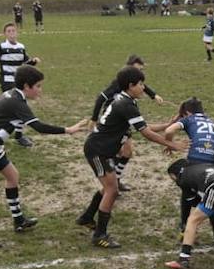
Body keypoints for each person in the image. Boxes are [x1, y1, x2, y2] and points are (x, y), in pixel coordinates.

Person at [0, 66, 87, 250]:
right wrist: (68, 130)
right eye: (38, 86)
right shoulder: (17, 103)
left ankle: (19, 220)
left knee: (13, 177)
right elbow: (38, 127)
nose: (40, 90)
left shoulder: (10, 94)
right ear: (26, 86)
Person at [75, 65, 185, 249]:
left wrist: (168, 124)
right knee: (112, 190)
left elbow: (144, 125)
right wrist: (172, 144)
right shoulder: (125, 104)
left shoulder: (125, 101)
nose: (143, 87)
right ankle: (99, 235)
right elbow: (147, 133)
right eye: (140, 84)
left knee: (109, 188)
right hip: (98, 151)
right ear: (130, 85)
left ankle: (87, 218)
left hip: (100, 149)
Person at [90, 55, 166, 192]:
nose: (140, 73)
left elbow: (144, 86)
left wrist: (154, 95)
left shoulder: (134, 83)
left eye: (141, 70)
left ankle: (115, 180)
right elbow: (101, 98)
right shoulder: (118, 83)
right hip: (114, 119)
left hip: (125, 118)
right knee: (118, 150)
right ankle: (111, 183)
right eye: (137, 70)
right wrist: (93, 119)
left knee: (127, 151)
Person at [152, 98, 214, 230]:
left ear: (187, 113)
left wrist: (170, 145)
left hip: (195, 163)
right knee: (209, 196)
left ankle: (185, 223)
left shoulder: (189, 119)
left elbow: (169, 131)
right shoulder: (210, 121)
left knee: (179, 177)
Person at [0, 23, 40, 148]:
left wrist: (34, 61)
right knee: (18, 107)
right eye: (9, 31)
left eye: (13, 31)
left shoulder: (21, 47)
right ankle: (18, 136)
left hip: (19, 81)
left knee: (14, 105)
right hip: (6, 80)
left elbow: (26, 63)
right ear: (5, 34)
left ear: (17, 33)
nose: (12, 33)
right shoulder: (1, 46)